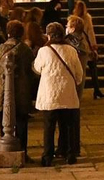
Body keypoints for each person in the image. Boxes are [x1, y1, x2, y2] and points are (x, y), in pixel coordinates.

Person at [33, 22, 85, 166]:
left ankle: (47, 156)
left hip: (50, 94)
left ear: (48, 35)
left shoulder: (44, 51)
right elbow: (79, 73)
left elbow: (37, 68)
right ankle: (68, 154)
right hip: (67, 93)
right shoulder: (71, 50)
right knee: (67, 125)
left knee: (49, 126)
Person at [67, 0, 104, 99]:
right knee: (93, 69)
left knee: (77, 70)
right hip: (85, 46)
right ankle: (96, 90)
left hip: (75, 47)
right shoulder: (87, 18)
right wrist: (94, 46)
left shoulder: (71, 20)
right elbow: (90, 32)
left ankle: (75, 92)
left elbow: (68, 34)